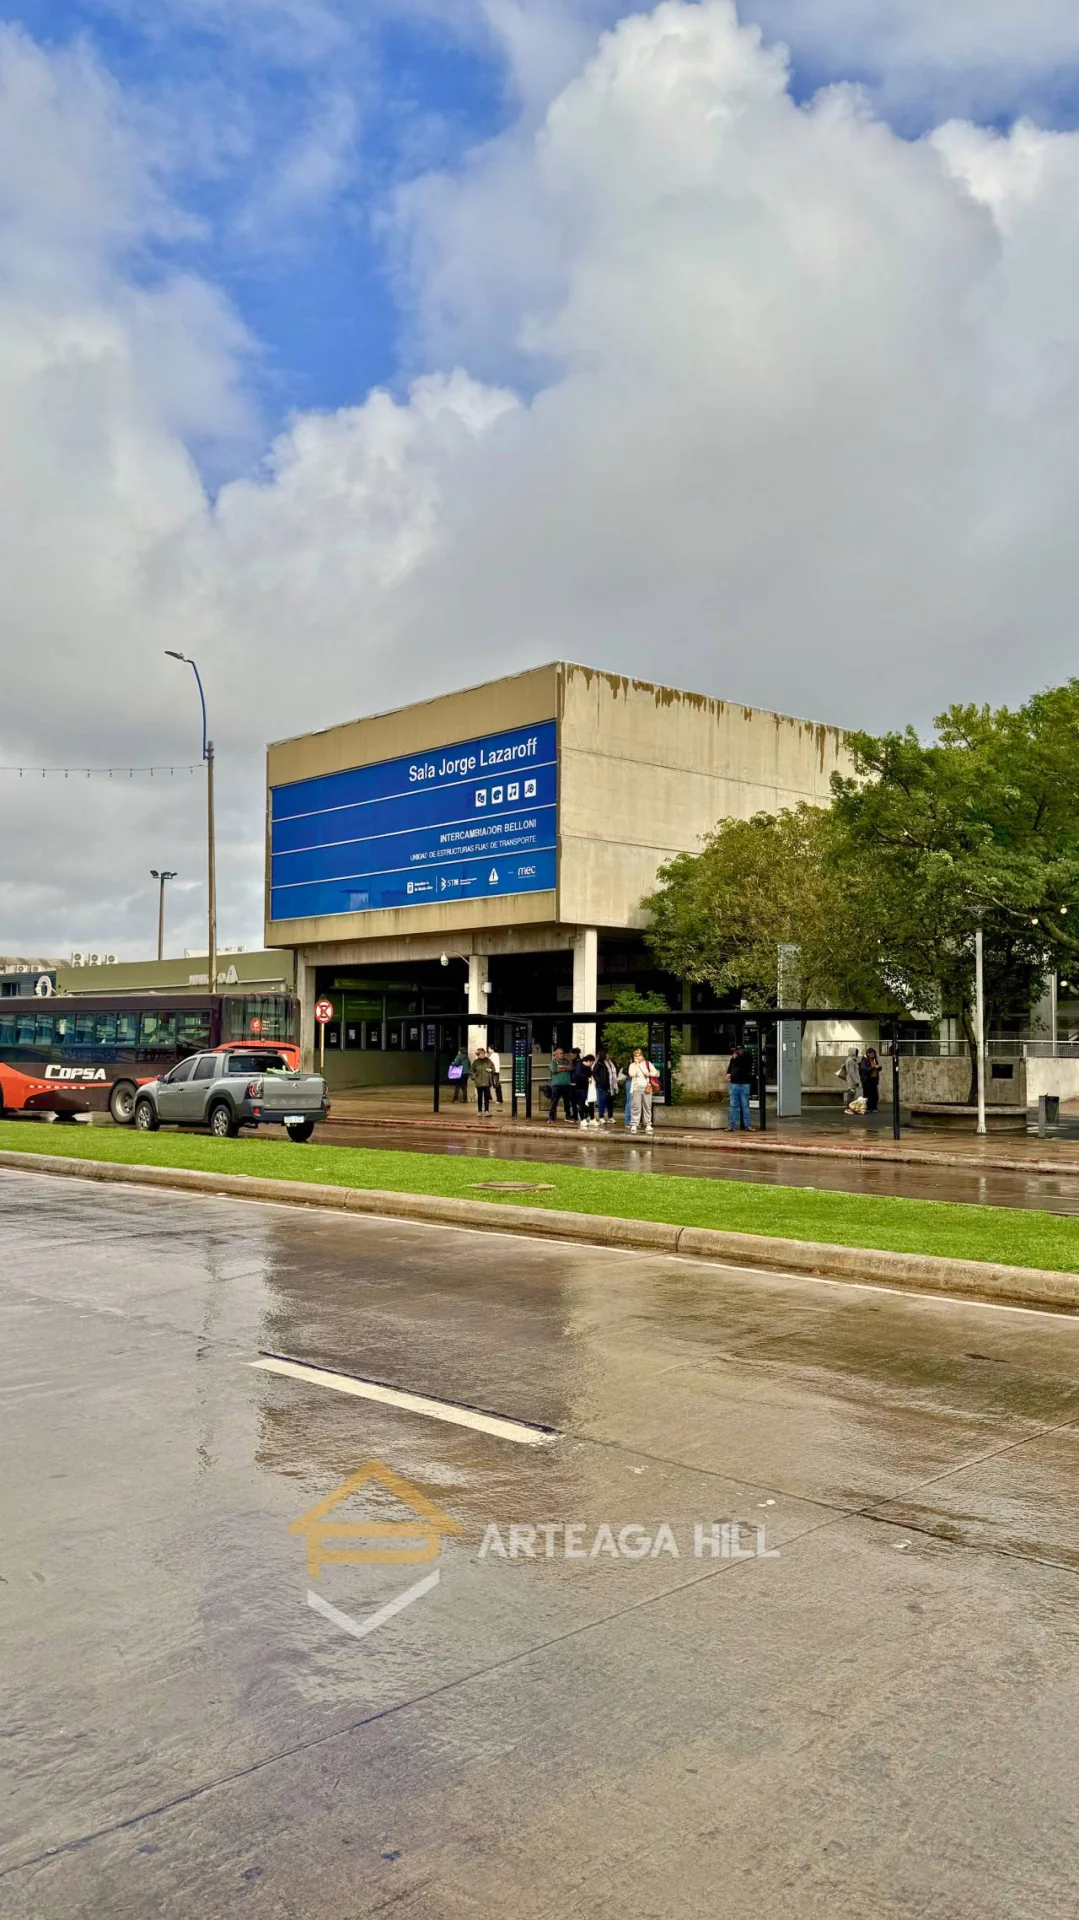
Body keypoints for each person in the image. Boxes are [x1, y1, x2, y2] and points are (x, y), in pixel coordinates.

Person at [626, 1047, 657, 1134]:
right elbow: (631, 1074)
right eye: (636, 1056)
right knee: (635, 1107)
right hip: (636, 1088)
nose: (637, 1057)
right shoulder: (632, 1065)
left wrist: (649, 1073)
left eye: (639, 1055)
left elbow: (656, 1073)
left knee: (647, 1106)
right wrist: (637, 1065)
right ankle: (634, 1124)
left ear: (642, 1056)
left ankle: (648, 1124)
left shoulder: (647, 1064)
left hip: (647, 1088)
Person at [727, 1043, 754, 1131]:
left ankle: (747, 1125)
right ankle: (731, 1125)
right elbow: (731, 1066)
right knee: (733, 1106)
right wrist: (728, 1073)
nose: (739, 1052)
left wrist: (736, 1058)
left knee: (745, 1105)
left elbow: (744, 1065)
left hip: (744, 1083)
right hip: (734, 1083)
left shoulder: (747, 1056)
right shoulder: (734, 1058)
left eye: (740, 1050)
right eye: (737, 1050)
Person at [547, 1047, 574, 1122]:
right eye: (560, 1053)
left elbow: (571, 1068)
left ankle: (568, 1116)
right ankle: (551, 1117)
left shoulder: (566, 1061)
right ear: (556, 1054)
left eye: (562, 1053)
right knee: (554, 1102)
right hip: (556, 1085)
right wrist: (565, 1068)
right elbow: (554, 1070)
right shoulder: (553, 1062)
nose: (562, 1055)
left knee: (567, 1102)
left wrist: (562, 1068)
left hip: (566, 1084)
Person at [593, 1048, 618, 1125]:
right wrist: (600, 1081)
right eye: (608, 1054)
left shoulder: (612, 1063)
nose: (609, 1055)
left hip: (611, 1086)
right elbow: (594, 1073)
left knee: (610, 1102)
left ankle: (610, 1117)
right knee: (602, 1101)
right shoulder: (599, 1063)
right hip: (602, 1085)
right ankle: (601, 1117)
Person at [470, 1046, 496, 1115]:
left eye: (483, 1053)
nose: (482, 1055)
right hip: (479, 1083)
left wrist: (490, 1070)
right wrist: (474, 1077)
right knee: (480, 1097)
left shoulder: (488, 1061)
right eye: (480, 1054)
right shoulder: (475, 1062)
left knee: (486, 1097)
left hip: (487, 1082)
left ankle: (486, 1111)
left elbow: (493, 1069)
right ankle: (479, 1111)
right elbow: (471, 1071)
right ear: (478, 1055)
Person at [838, 1046, 863, 1113]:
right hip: (852, 1081)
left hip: (851, 1080)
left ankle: (849, 1108)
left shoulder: (849, 1060)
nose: (857, 1054)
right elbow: (852, 1072)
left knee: (851, 1094)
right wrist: (856, 1081)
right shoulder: (851, 1061)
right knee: (851, 1095)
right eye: (856, 1053)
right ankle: (848, 1108)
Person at [569, 1048, 590, 1123]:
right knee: (575, 1100)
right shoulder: (576, 1061)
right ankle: (584, 1112)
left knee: (575, 1100)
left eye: (571, 1054)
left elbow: (576, 1073)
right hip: (575, 1083)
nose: (570, 1056)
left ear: (575, 1054)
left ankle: (579, 1114)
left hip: (575, 1083)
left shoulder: (577, 1062)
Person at [578, 1054, 598, 1129]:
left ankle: (592, 1118)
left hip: (588, 1088)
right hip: (581, 1088)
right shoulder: (580, 1065)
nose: (592, 1064)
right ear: (589, 1061)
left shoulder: (588, 1067)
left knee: (591, 1102)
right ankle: (582, 1119)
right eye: (592, 1062)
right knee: (581, 1103)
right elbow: (578, 1075)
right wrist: (586, 1078)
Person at [859, 1047, 881, 1114]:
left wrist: (879, 1068)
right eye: (871, 1054)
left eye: (873, 1054)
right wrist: (874, 1067)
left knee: (875, 1094)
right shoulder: (864, 1060)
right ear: (868, 1054)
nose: (873, 1055)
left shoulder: (875, 1060)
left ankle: (874, 1107)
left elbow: (876, 1069)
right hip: (867, 1080)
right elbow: (865, 1070)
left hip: (874, 1079)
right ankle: (868, 1107)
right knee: (867, 1094)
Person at [486, 1041, 504, 1106]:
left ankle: (499, 1099)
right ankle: (491, 1098)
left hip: (495, 1072)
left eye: (489, 1049)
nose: (488, 1050)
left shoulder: (495, 1055)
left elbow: (494, 1064)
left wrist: (490, 1070)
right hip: (493, 1072)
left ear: (492, 1049)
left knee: (497, 1085)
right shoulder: (493, 1055)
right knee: (493, 1085)